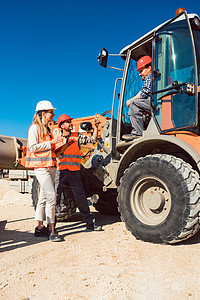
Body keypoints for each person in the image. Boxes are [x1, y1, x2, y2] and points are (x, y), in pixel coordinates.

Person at [55, 114, 103, 231]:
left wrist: (96, 127)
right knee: (55, 198)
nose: (71, 124)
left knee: (81, 197)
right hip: (60, 172)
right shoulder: (56, 138)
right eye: (68, 122)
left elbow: (93, 140)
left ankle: (90, 223)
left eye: (71, 122)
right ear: (62, 125)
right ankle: (51, 226)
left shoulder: (77, 137)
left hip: (74, 172)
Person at [26, 100, 65, 242]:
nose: (53, 115)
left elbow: (47, 149)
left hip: (50, 167)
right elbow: (33, 147)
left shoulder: (47, 130)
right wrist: (52, 142)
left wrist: (58, 148)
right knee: (51, 197)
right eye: (51, 112)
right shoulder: (34, 128)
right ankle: (51, 229)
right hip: (41, 168)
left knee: (43, 198)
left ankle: (39, 227)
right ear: (43, 114)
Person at [123, 55, 152, 141]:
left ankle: (138, 133)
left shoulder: (150, 76)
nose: (139, 74)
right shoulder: (157, 77)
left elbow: (144, 93)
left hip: (156, 103)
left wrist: (131, 100)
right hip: (158, 103)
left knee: (134, 103)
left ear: (149, 68)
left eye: (141, 71)